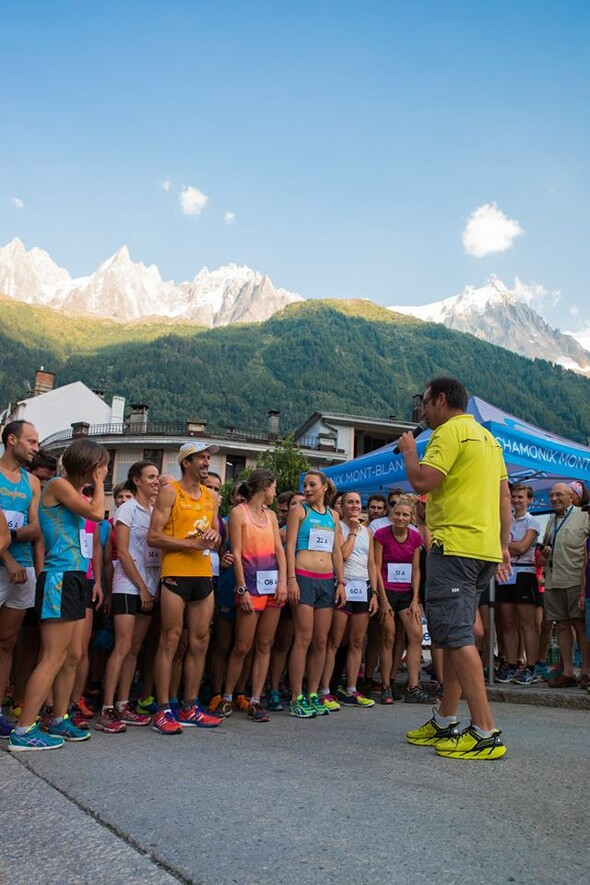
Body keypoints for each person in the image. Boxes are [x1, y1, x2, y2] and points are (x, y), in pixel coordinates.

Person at [398, 376, 510, 760]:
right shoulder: (488, 439)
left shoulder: (448, 433)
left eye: (425, 402)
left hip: (454, 547)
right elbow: (504, 496)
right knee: (456, 635)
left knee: (458, 637)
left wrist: (411, 450)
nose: (424, 410)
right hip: (482, 550)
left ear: (441, 400)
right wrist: (503, 546)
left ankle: (485, 731)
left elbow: (421, 480)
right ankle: (446, 718)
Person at [9, 439, 109, 751]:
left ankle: (58, 717)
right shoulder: (59, 485)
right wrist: (100, 482)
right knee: (52, 656)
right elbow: (97, 515)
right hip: (60, 578)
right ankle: (23, 731)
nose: (104, 470)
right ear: (92, 466)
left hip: (76, 577)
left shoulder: (73, 491)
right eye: (101, 465)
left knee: (73, 655)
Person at [148, 442, 222, 734]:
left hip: (203, 573)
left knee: (200, 641)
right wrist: (192, 544)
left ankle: (190, 706)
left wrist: (214, 536)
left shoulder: (211, 496)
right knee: (170, 640)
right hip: (176, 573)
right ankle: (163, 709)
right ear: (186, 462)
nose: (207, 462)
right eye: (201, 458)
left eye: (208, 458)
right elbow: (153, 537)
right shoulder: (170, 491)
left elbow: (213, 535)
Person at [95, 461, 161, 733]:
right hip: (127, 586)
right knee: (121, 646)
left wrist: (150, 588)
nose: (156, 481)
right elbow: (121, 551)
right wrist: (142, 588)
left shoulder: (155, 512)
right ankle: (106, 709)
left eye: (157, 477)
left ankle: (123, 703)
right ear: (137, 480)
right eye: (151, 477)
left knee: (135, 647)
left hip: (150, 585)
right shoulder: (127, 508)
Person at [218, 470, 287, 722]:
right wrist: (241, 587)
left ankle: (255, 699)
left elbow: (279, 550)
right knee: (242, 646)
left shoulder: (270, 515)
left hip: (271, 586)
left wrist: (282, 581)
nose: (275, 492)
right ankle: (227, 697)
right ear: (264, 487)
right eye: (274, 487)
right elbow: (235, 552)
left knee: (265, 644)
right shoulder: (239, 512)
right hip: (250, 585)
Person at [286, 470, 346, 718]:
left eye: (312, 485)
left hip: (326, 581)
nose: (307, 489)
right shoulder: (299, 511)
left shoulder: (333, 515)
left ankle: (313, 693)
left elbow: (336, 552)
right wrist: (290, 579)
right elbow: (289, 546)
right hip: (303, 577)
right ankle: (296, 696)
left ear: (324, 488)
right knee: (304, 638)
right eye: (305, 485)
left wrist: (341, 582)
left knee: (322, 640)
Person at [318, 490, 378, 709]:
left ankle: (352, 689)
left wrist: (375, 593)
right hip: (342, 586)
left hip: (362, 587)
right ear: (341, 506)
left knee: (356, 642)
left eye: (357, 502)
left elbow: (372, 564)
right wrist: (352, 532)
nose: (354, 506)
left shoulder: (368, 531)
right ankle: (325, 690)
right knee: (334, 641)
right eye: (349, 502)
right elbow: (342, 555)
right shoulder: (338, 526)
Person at [0, 420, 41, 739]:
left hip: (24, 569)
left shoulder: (32, 482)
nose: (35, 447)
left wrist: (7, 536)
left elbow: (35, 528)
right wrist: (8, 555)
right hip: (8, 565)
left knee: (8, 642)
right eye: (30, 441)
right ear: (11, 439)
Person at [374, 496, 431, 704]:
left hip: (407, 592)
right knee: (389, 637)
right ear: (392, 515)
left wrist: (415, 600)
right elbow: (377, 568)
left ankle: (413, 686)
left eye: (405, 515)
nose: (400, 518)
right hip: (387, 591)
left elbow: (416, 570)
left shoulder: (415, 537)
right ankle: (386, 686)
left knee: (415, 635)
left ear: (411, 517)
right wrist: (382, 599)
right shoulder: (381, 535)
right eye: (397, 514)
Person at [538, 483, 590, 688]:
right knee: (561, 625)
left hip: (575, 579)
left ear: (571, 497)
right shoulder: (552, 519)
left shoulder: (584, 515)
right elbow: (549, 543)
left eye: (559, 494)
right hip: (553, 579)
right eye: (551, 495)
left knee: (580, 624)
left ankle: (585, 670)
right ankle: (568, 671)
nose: (554, 498)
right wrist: (547, 551)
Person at [495, 484, 541, 685]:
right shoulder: (506, 519)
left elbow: (523, 547)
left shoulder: (532, 521)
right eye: (513, 496)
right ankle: (511, 664)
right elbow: (497, 546)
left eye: (520, 497)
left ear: (529, 500)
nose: (516, 500)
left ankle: (530, 666)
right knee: (507, 622)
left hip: (524, 572)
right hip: (506, 572)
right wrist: (505, 547)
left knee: (527, 623)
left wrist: (503, 546)